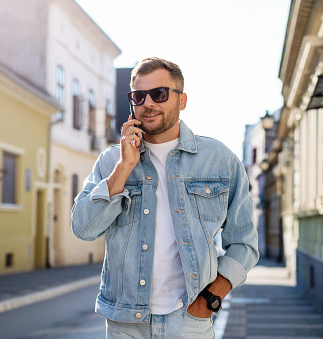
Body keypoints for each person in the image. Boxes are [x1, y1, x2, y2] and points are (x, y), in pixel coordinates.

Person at [71, 57, 258, 338]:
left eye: (159, 94)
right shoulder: (112, 160)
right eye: (139, 95)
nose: (148, 103)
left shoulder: (219, 161)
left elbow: (244, 243)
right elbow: (84, 227)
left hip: (188, 321)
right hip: (126, 324)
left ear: (181, 101)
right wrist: (123, 168)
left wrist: (210, 299)